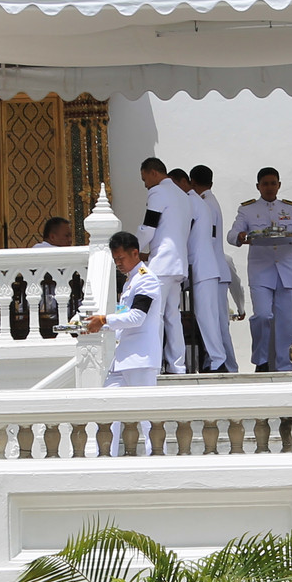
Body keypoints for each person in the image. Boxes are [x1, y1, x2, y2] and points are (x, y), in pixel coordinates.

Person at [84, 230, 163, 455]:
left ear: (135, 253)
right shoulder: (131, 280)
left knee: (147, 415)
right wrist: (98, 324)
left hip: (140, 358)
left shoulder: (146, 279)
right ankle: (105, 456)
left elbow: (137, 317)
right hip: (123, 358)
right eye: (115, 259)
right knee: (108, 408)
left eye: (121, 258)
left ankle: (158, 456)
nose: (118, 263)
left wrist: (104, 320)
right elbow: (124, 317)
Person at [227, 167, 292, 372]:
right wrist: (240, 236)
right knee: (262, 316)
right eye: (265, 184)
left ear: (279, 185)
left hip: (286, 270)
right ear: (258, 186)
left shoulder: (290, 208)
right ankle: (261, 360)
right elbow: (232, 234)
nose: (269, 187)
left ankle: (285, 366)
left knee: (287, 322)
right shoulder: (247, 209)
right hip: (261, 271)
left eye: (273, 183)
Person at [135, 156, 191, 374]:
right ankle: (177, 365)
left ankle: (154, 364)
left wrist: (133, 249)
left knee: (154, 316)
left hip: (162, 262)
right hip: (178, 264)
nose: (145, 185)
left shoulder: (158, 192)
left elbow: (149, 227)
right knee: (173, 316)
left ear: (153, 173)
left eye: (144, 179)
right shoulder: (183, 195)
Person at [190, 165, 239, 372]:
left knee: (217, 323)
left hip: (213, 271)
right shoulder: (210, 201)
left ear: (192, 182)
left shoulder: (206, 204)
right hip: (216, 270)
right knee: (217, 322)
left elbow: (207, 238)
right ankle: (222, 363)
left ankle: (225, 364)